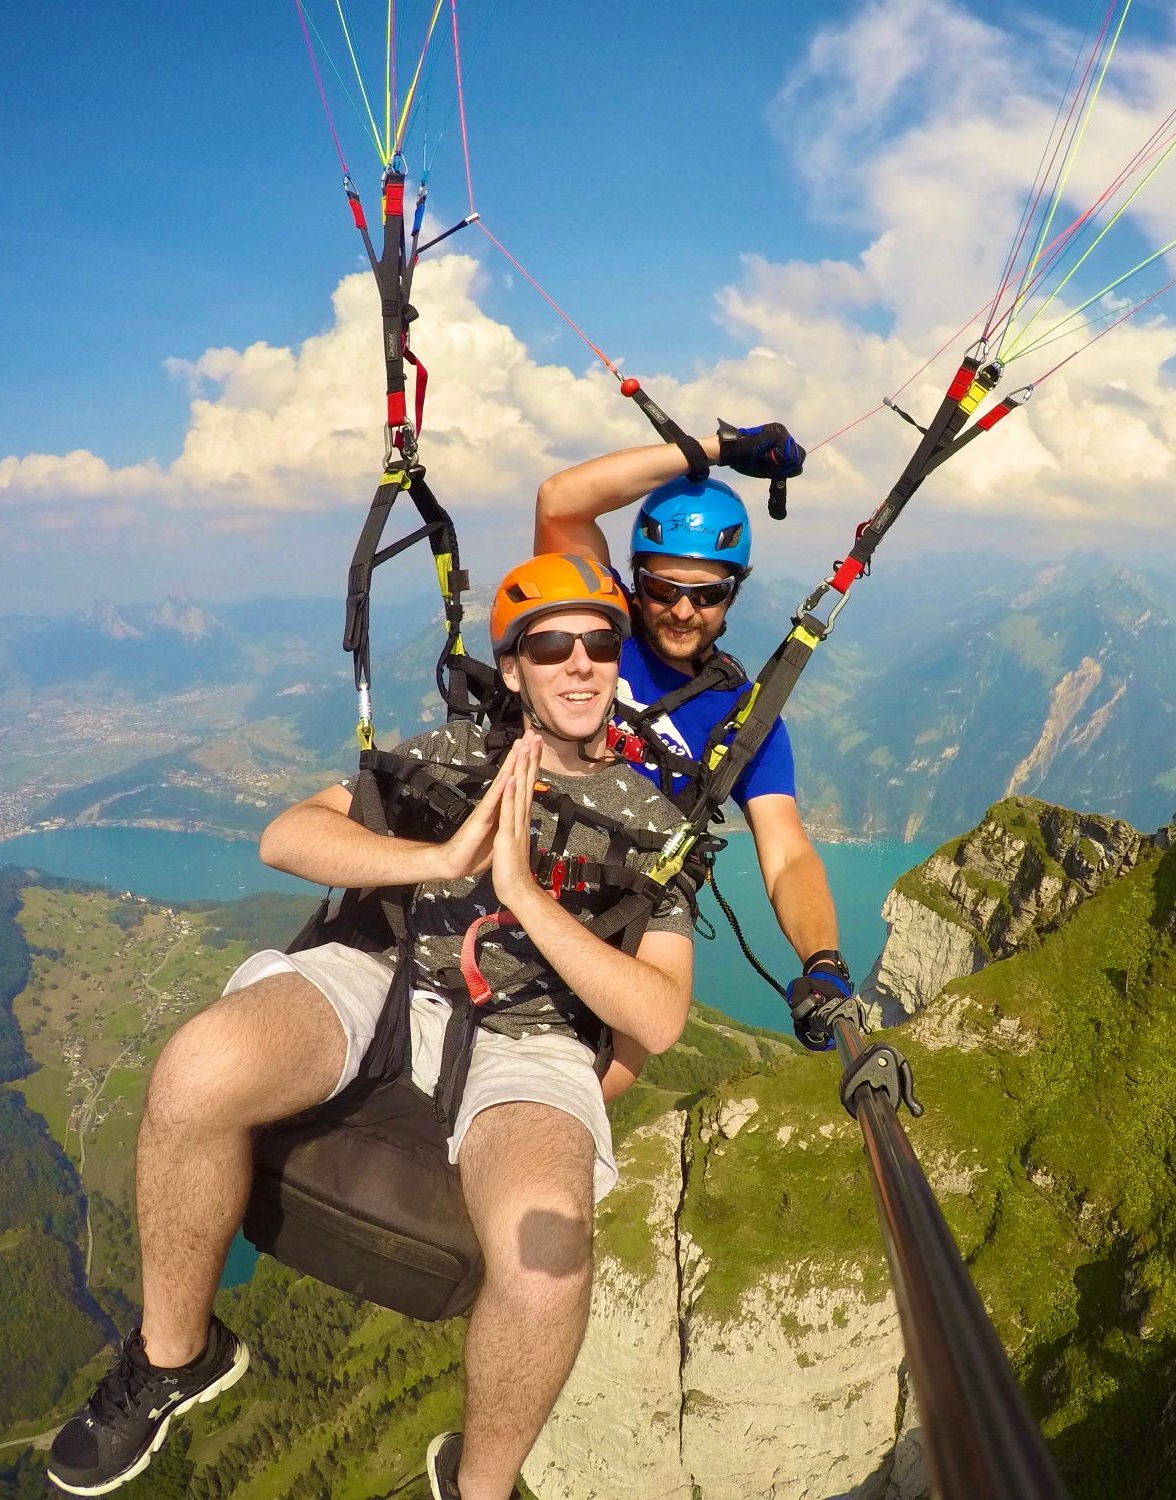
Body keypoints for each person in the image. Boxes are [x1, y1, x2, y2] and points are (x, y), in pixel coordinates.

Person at [47, 553, 696, 1500]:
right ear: (512, 668)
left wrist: (522, 892)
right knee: (196, 1069)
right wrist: (439, 853)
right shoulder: (444, 756)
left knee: (548, 1263)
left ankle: (477, 1487)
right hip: (382, 976)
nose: (581, 663)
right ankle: (174, 1356)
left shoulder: (651, 822)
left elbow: (659, 1015)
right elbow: (288, 838)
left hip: (532, 1042)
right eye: (550, 643)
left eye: (600, 642)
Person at [533, 423, 863, 1069]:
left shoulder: (742, 720)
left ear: (734, 592)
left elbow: (787, 853)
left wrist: (821, 958)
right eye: (662, 589)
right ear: (635, 580)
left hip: (612, 912)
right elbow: (559, 501)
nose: (683, 612)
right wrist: (718, 450)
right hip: (520, 846)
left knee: (616, 1064)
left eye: (707, 594)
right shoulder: (597, 623)